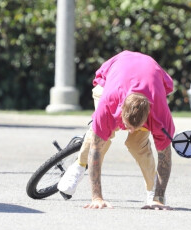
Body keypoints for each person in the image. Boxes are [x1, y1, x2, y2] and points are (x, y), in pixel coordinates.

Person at [58, 51, 175, 210]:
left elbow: (165, 156)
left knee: (137, 144)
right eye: (127, 125)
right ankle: (78, 166)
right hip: (112, 80)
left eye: (137, 126)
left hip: (149, 77)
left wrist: (159, 198)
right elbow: (96, 149)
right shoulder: (109, 104)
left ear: (148, 113)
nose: (130, 131)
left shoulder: (160, 114)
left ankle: (152, 191)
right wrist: (97, 197)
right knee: (99, 136)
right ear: (120, 111)